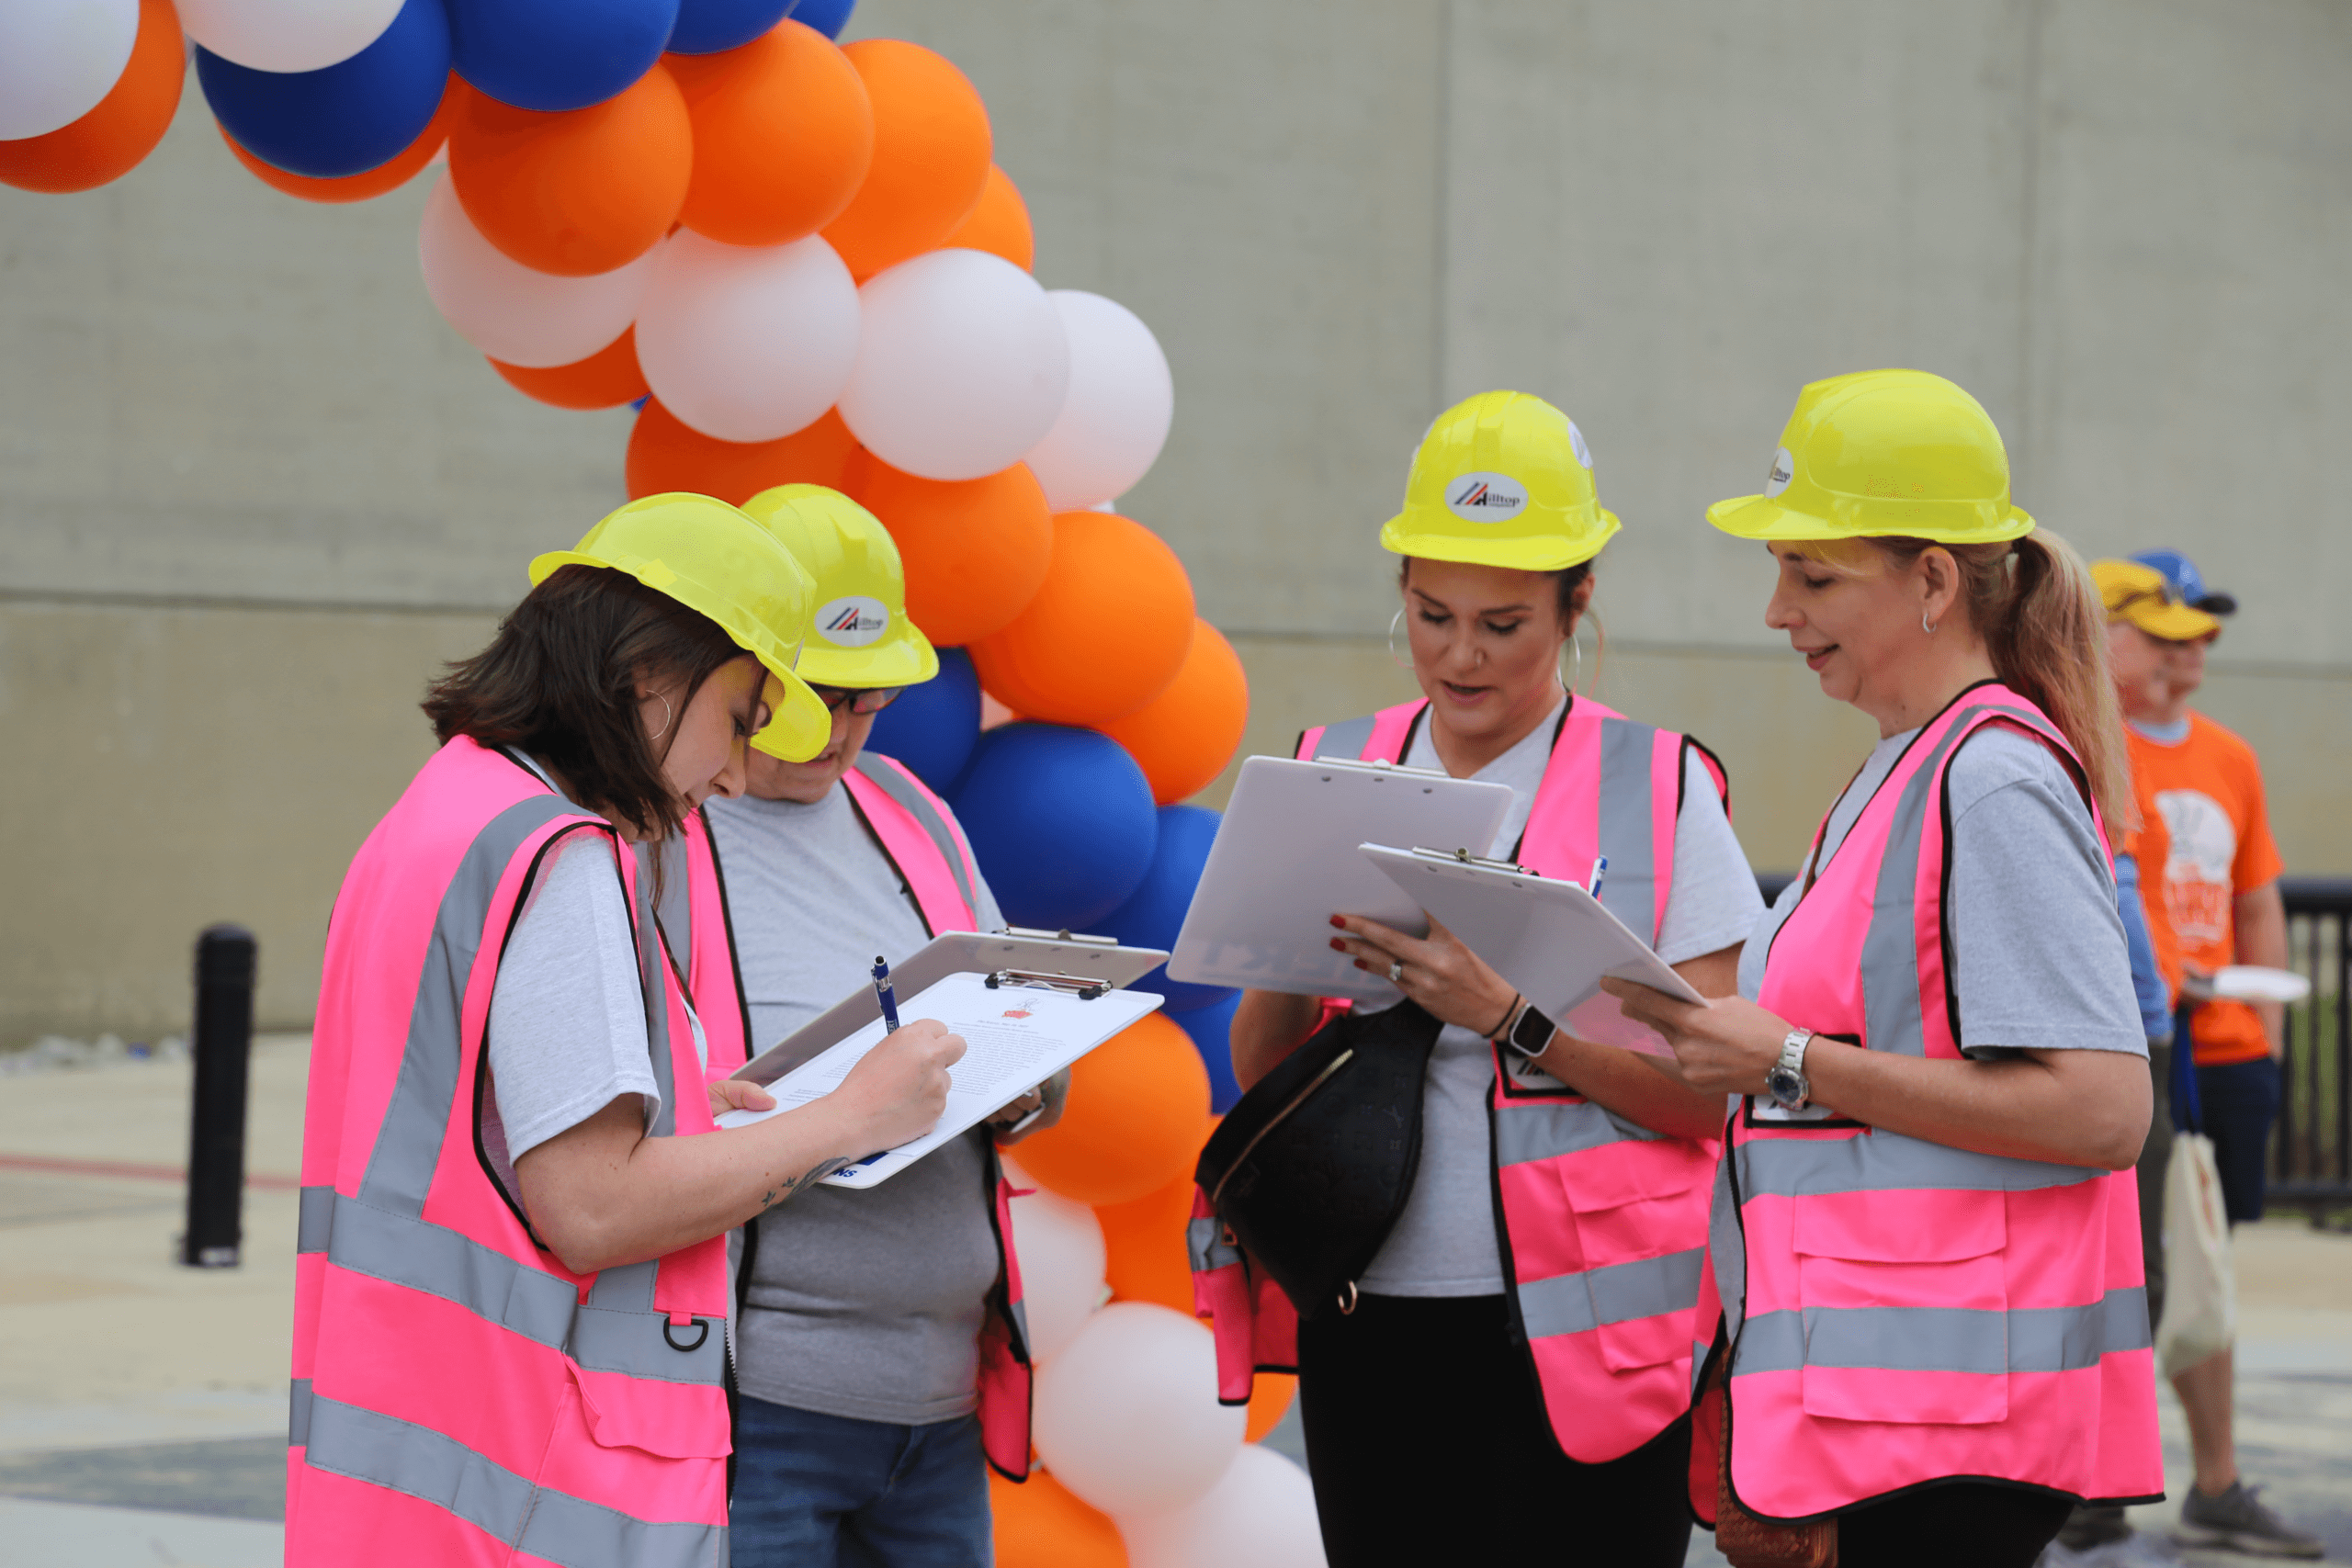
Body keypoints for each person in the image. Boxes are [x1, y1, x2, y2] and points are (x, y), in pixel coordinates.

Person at [285, 494, 967, 1562]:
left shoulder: (447, 809)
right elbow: (594, 1207)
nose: (732, 776)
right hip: (534, 1481)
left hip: (417, 1461)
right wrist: (850, 1118)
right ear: (648, 674)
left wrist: (684, 1097)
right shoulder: (563, 855)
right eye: (738, 719)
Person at [1605, 369, 2164, 1568]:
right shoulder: (1916, 762)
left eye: (1812, 576)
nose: (1776, 610)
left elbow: (2103, 1110)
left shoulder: (1990, 778)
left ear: (1933, 582)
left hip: (1942, 1419)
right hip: (1897, 1402)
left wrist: (1788, 1059)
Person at [1217, 391, 1766, 1566]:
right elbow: (1265, 1061)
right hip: (1369, 1309)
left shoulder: (1661, 787)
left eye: (1503, 623)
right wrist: (1283, 940)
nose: (1459, 655)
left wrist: (1513, 1020)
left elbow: (1710, 1098)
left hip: (1599, 1337)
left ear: (1578, 602)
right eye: (1432, 615)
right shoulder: (1329, 765)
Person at [701, 486, 1062, 1567]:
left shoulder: (909, 810)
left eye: (870, 699)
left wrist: (1030, 1076)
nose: (845, 730)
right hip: (754, 1406)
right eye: (820, 696)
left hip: (939, 1403)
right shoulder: (656, 838)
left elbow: (998, 1005)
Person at [2080, 552, 2319, 1560]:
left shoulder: (2229, 755)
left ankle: (2211, 1482)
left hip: (2223, 1047)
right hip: (2139, 1047)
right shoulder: (2083, 744)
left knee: (2202, 1263)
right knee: (2129, 1267)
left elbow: (2256, 897)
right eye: (2168, 633)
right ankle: (2096, 1481)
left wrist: (2266, 1037)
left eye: (2200, 634)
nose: (2193, 652)